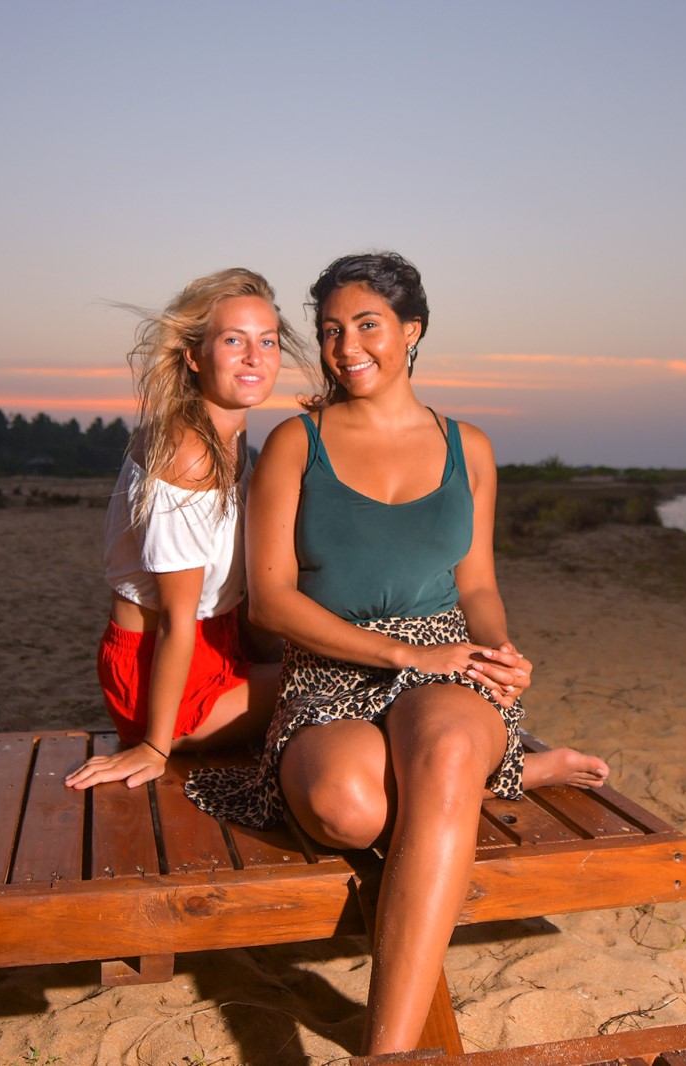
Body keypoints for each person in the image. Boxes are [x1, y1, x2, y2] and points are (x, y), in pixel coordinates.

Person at [183, 252, 608, 1055]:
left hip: (447, 663)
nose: (346, 347)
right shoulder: (295, 444)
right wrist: (396, 656)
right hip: (331, 668)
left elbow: (477, 584)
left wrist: (498, 651)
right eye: (330, 330)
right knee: (350, 810)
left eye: (367, 325)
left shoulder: (468, 447)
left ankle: (388, 1052)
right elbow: (272, 601)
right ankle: (513, 769)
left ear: (412, 331)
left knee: (442, 751)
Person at [66, 268, 308, 792]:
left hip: (217, 646)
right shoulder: (189, 453)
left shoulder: (227, 433)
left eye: (267, 341)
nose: (255, 356)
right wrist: (154, 748)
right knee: (339, 685)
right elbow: (177, 619)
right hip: (164, 675)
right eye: (234, 340)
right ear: (195, 356)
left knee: (338, 666)